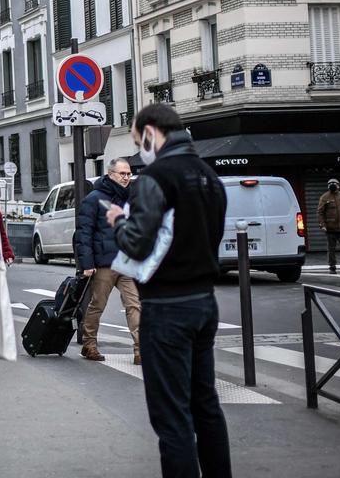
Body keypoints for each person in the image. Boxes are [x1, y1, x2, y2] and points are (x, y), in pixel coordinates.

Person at [105, 104, 231, 478]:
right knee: (205, 405)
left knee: (172, 416)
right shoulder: (210, 177)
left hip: (167, 306)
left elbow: (138, 244)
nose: (138, 149)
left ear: (150, 133)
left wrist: (117, 222)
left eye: (136, 140)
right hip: (205, 303)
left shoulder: (155, 178)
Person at [76, 158, 140, 364]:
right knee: (97, 305)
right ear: (111, 174)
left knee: (134, 304)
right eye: (123, 174)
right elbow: (84, 232)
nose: (126, 178)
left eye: (129, 174)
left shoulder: (132, 198)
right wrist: (87, 264)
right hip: (104, 262)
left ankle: (140, 350)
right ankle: (89, 345)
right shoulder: (94, 198)